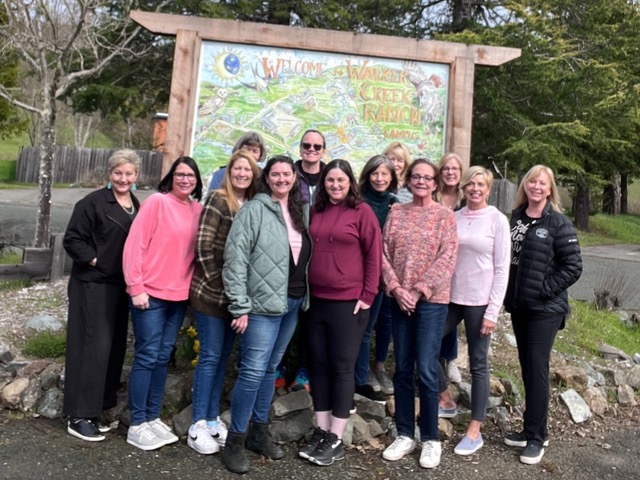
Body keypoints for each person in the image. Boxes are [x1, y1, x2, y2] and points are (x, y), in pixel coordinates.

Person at [221, 155, 311, 474]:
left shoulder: (301, 211)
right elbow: (235, 261)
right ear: (267, 178)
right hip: (260, 306)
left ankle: (258, 432)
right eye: (276, 174)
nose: (282, 179)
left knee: (270, 368)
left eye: (287, 174)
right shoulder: (253, 211)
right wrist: (240, 305)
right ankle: (234, 441)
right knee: (252, 371)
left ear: (294, 178)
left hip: (291, 302)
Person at [299, 159, 382, 466]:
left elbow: (374, 254)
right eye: (330, 180)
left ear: (350, 183)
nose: (335, 185)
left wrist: (368, 295)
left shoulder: (362, 212)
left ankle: (335, 437)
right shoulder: (316, 211)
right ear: (324, 183)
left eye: (340, 180)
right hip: (316, 301)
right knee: (319, 367)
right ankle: (321, 431)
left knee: (342, 368)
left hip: (348, 303)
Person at [122, 156, 203, 451]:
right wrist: (136, 286)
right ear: (171, 177)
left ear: (197, 180)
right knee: (146, 355)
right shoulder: (157, 202)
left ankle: (153, 417)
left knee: (161, 356)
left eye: (190, 175)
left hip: (179, 297)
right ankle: (137, 422)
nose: (185, 180)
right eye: (180, 174)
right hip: (150, 294)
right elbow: (136, 244)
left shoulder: (198, 210)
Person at [381, 158, 457, 469]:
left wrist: (418, 290)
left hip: (431, 302)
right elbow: (383, 253)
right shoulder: (396, 212)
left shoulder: (444, 217)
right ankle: (404, 433)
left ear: (436, 183)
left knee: (426, 369)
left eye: (427, 178)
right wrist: (397, 289)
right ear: (409, 181)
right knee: (401, 368)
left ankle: (430, 438)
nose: (422, 182)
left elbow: (447, 258)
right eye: (416, 177)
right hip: (399, 299)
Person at [503, 165, 582, 465]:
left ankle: (537, 438)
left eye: (542, 183)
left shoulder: (559, 223)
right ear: (525, 186)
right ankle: (531, 429)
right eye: (532, 181)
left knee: (536, 370)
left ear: (550, 190)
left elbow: (573, 267)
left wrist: (544, 289)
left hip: (545, 310)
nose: (536, 186)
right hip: (519, 306)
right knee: (527, 369)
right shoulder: (516, 219)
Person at [62, 149, 141, 442]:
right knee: (91, 348)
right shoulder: (92, 203)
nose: (123, 178)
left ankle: (96, 410)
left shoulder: (135, 204)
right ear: (109, 174)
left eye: (129, 173)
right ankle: (78, 415)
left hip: (120, 286)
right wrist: (98, 261)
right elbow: (72, 240)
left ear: (136, 176)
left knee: (112, 348)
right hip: (92, 284)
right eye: (118, 173)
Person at [187, 150, 260, 455]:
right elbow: (202, 247)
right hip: (212, 295)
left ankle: (212, 417)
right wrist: (226, 287)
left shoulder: (254, 205)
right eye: (237, 168)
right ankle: (197, 425)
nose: (242, 173)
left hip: (237, 301)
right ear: (230, 171)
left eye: (248, 169)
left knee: (223, 359)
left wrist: (239, 296)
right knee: (210, 357)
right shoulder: (218, 199)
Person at [435, 166, 510, 456]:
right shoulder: (453, 218)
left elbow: (502, 270)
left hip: (480, 302)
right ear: (463, 188)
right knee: (426, 346)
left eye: (480, 184)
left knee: (478, 364)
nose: (475, 189)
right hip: (451, 299)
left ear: (488, 189)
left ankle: (475, 429)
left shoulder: (497, 220)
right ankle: (445, 400)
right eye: (470, 184)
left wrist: (493, 311)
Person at [353, 155, 398, 400]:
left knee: (368, 328)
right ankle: (352, 377)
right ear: (367, 175)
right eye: (375, 173)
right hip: (355, 273)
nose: (379, 179)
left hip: (381, 276)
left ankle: (361, 379)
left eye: (384, 174)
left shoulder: (394, 205)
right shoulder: (358, 201)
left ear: (391, 177)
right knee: (355, 327)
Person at [435, 152, 465, 386]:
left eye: (455, 168)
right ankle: (433, 357)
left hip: (460, 261)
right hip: (435, 259)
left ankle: (450, 358)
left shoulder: (466, 198)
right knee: (440, 309)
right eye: (446, 168)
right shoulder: (434, 195)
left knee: (452, 310)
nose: (450, 172)